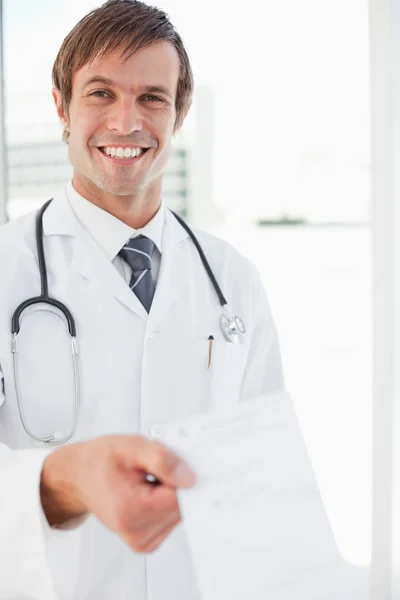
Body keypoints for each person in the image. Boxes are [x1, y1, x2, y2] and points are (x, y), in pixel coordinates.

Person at [0, 1, 284, 599]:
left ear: (179, 113)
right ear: (62, 105)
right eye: (100, 93)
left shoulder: (234, 280)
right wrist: (64, 480)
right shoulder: (8, 268)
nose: (126, 123)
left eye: (152, 97)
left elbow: (265, 472)